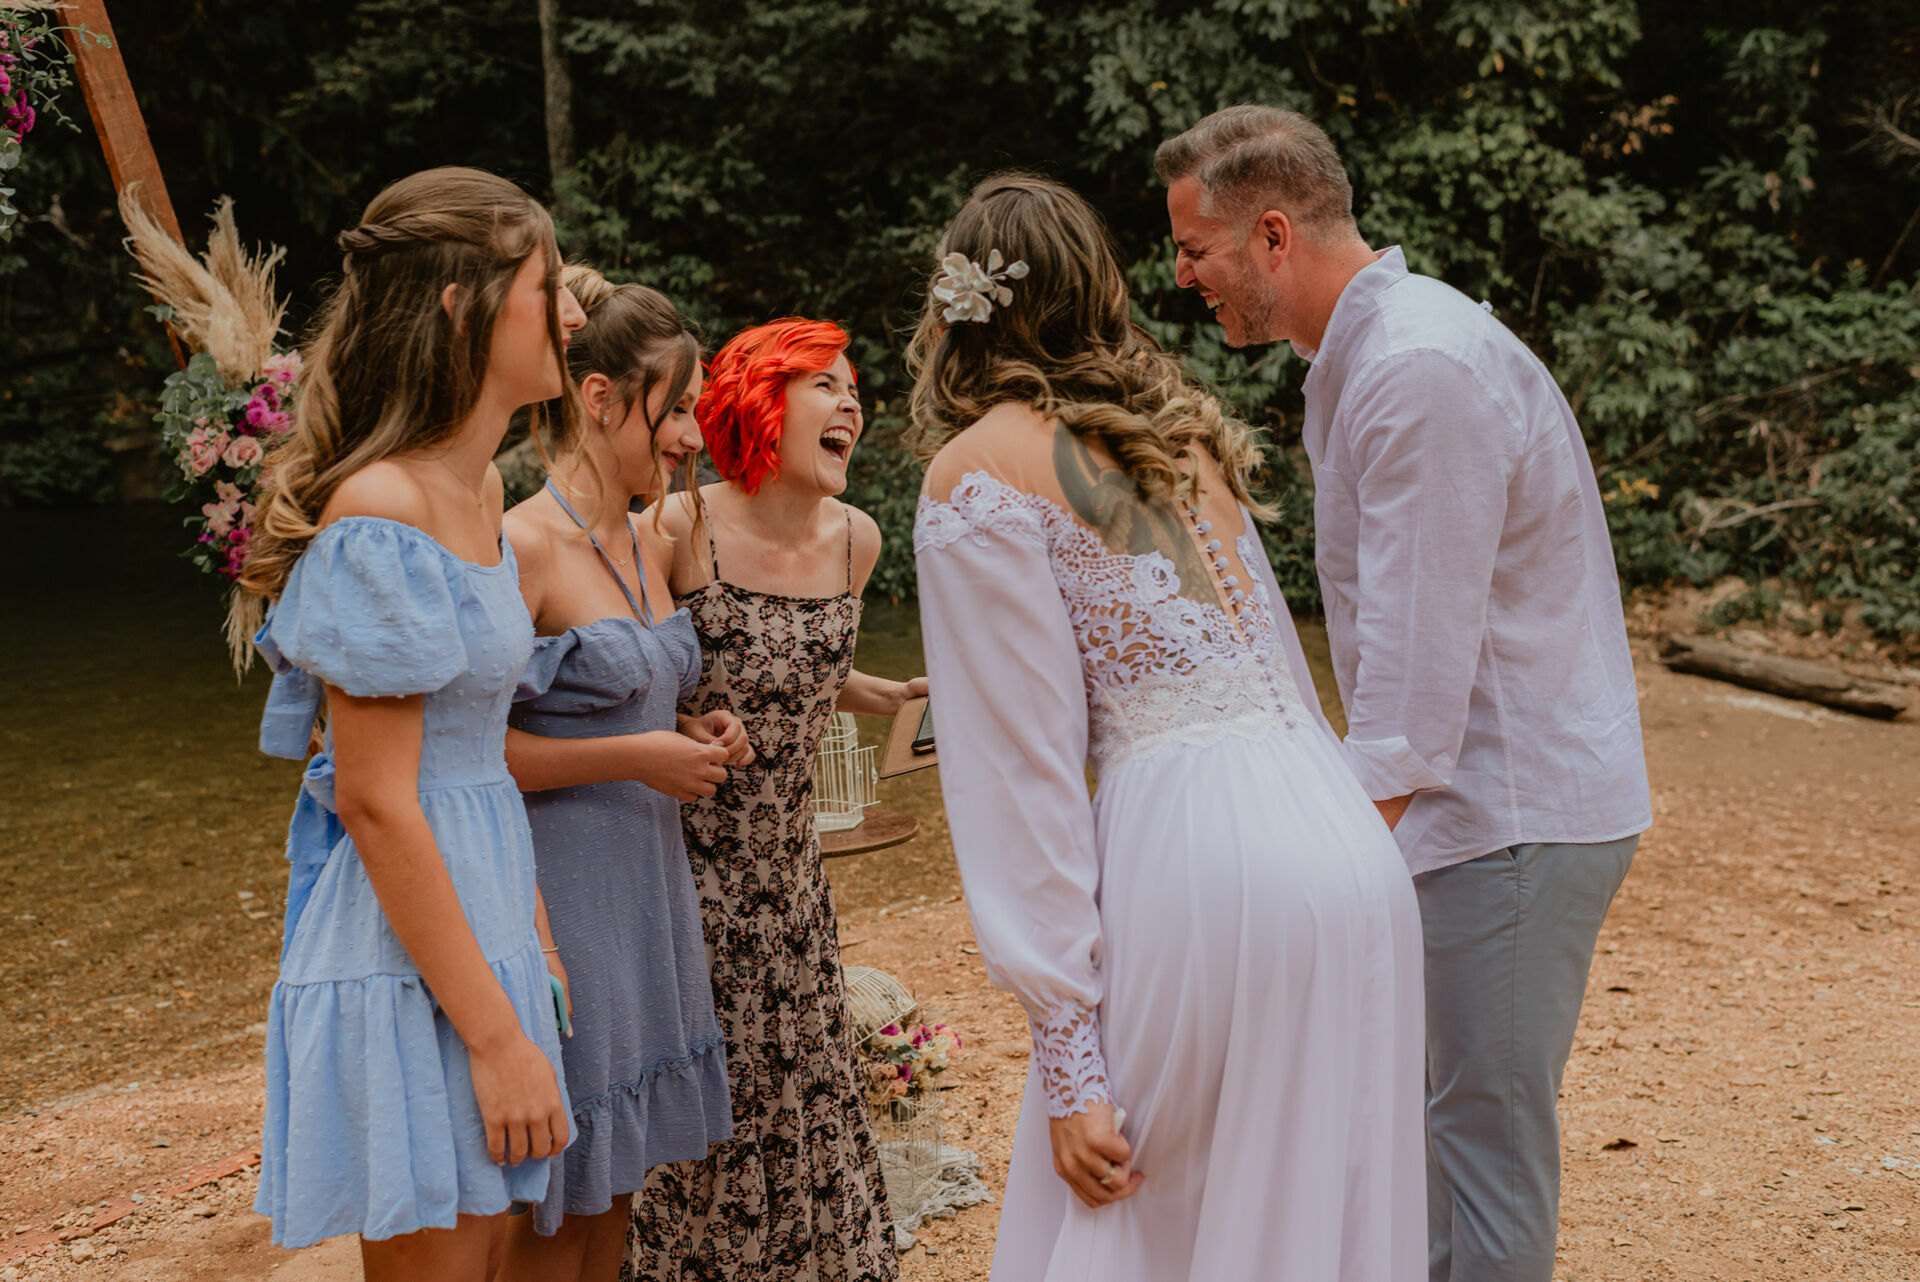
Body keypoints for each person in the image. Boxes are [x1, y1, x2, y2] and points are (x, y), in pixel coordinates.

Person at [1156, 105, 1652, 1282]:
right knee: (1432, 1141)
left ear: (1274, 235)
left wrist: (1308, 869)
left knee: (1482, 1154)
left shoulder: (1417, 369)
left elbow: (1413, 701)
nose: (1181, 278)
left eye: (1194, 249)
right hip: (1468, 808)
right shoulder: (1370, 356)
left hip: (1507, 814)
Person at [908, 172, 1426, 1281]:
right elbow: (1280, 671)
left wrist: (1069, 1066)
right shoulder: (1178, 443)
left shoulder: (974, 476)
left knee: (1144, 1226)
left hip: (1204, 871)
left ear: (958, 308)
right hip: (1344, 853)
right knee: (1307, 1224)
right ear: (1101, 289)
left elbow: (1022, 778)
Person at [239, 167, 584, 1276]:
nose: (574, 315)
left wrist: (534, 945)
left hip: (486, 916)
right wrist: (494, 1036)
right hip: (406, 953)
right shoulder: (382, 512)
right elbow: (376, 798)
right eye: (549, 287)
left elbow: (475, 756)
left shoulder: (481, 496)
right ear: (460, 306)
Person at [625, 319, 918, 1281]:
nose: (851, 404)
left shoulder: (858, 542)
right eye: (825, 385)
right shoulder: (678, 527)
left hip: (791, 878)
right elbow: (622, 680)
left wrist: (883, 694)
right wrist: (681, 725)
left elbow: (797, 665)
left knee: (806, 1087)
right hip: (679, 869)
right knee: (706, 1099)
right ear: (760, 400)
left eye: (855, 390)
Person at [497, 265, 746, 1280]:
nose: (690, 436)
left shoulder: (649, 536)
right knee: (563, 1204)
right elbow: (469, 756)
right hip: (567, 895)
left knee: (620, 1195)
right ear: (599, 397)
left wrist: (691, 725)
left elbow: (623, 692)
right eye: (674, 410)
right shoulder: (523, 544)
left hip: (650, 894)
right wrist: (640, 756)